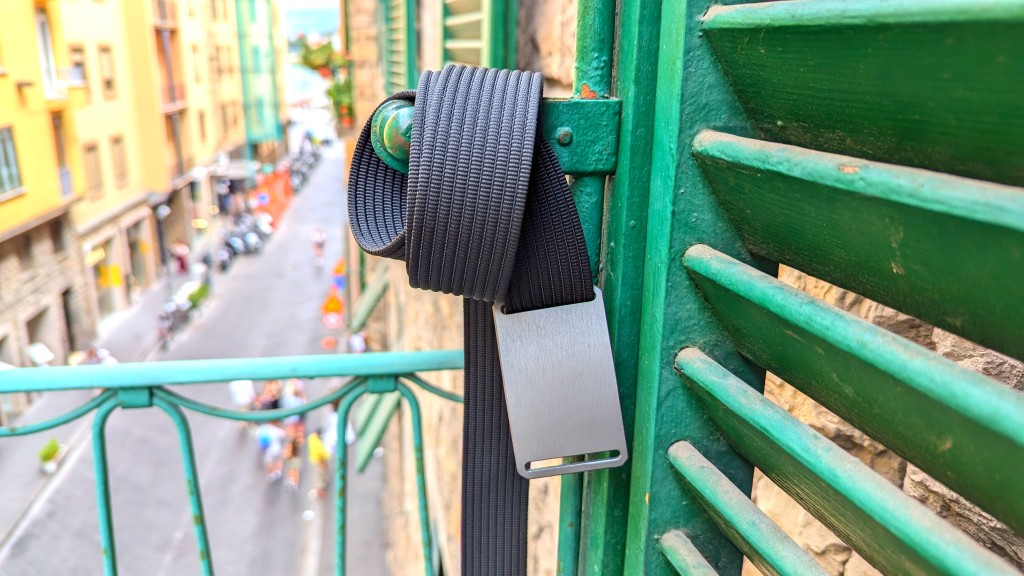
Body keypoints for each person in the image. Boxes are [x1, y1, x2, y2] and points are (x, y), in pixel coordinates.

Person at [306, 428, 330, 499]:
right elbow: (320, 452)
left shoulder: (311, 440)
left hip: (316, 460)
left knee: (320, 476)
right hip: (319, 461)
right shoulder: (315, 442)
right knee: (320, 477)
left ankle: (320, 491)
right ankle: (320, 492)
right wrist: (323, 461)